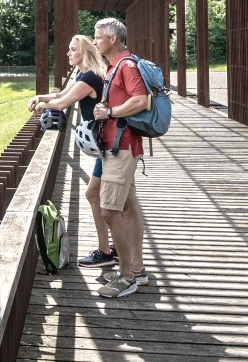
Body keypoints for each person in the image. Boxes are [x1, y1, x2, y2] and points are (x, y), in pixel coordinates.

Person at [28, 34, 115, 268]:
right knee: (98, 196)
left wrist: (41, 105)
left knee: (102, 198)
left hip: (108, 144)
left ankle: (107, 251)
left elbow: (62, 104)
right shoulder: (85, 75)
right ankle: (110, 248)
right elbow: (61, 95)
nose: (68, 53)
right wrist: (41, 96)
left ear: (83, 52)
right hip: (107, 143)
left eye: (72, 49)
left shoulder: (89, 77)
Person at [90, 17, 150, 298]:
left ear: (113, 39)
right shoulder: (116, 66)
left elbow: (141, 99)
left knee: (109, 211)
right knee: (125, 205)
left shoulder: (126, 65)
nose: (94, 41)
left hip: (121, 147)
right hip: (118, 146)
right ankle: (136, 269)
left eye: (98, 37)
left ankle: (127, 278)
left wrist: (110, 113)